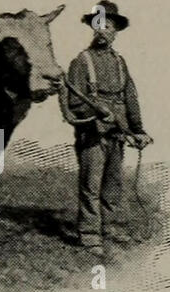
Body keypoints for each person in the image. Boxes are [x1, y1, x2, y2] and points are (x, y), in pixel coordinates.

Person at [67, 1, 153, 256]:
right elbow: (74, 103)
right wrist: (95, 115)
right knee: (91, 186)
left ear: (116, 31)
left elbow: (131, 98)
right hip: (92, 135)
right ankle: (90, 235)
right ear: (93, 29)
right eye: (99, 26)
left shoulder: (120, 62)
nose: (103, 31)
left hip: (118, 133)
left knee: (112, 185)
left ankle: (109, 228)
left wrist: (138, 130)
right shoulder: (81, 61)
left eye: (109, 27)